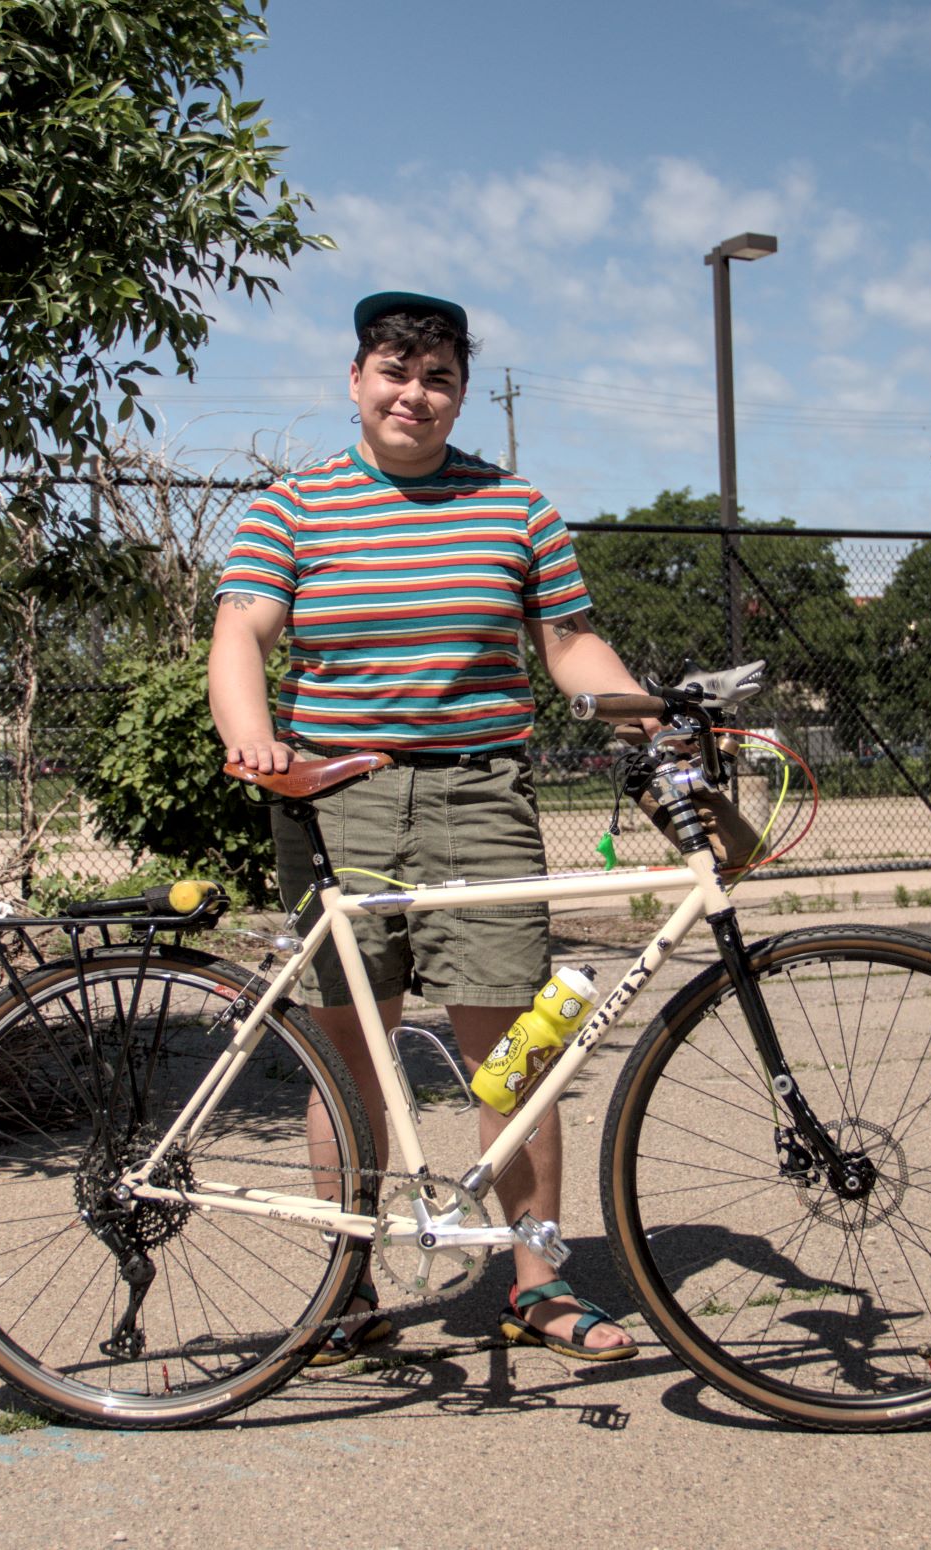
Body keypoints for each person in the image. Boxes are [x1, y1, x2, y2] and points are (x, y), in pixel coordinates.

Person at [208, 291, 651, 1364]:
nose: (415, 393)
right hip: (336, 801)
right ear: (356, 382)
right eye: (394, 372)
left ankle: (538, 1283)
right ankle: (341, 1288)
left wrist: (658, 715)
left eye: (438, 376)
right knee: (346, 1056)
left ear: (460, 389)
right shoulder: (291, 509)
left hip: (480, 798)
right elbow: (241, 630)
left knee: (513, 1056)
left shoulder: (518, 510)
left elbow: (570, 647)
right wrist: (256, 737)